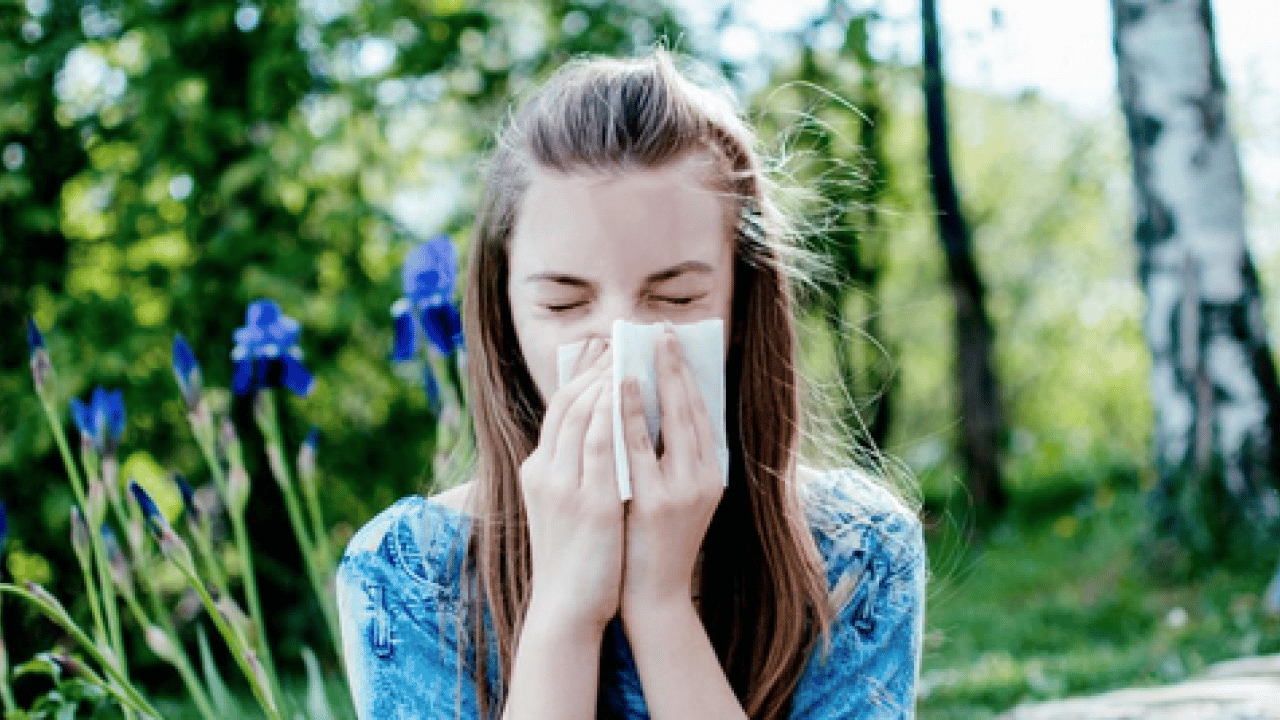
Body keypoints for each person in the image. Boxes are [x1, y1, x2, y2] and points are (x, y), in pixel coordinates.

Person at [336, 49, 926, 720]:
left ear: (743, 304)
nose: (621, 346)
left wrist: (660, 603)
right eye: (564, 304)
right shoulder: (410, 575)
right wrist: (564, 612)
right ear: (505, 315)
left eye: (676, 298)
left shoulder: (855, 555)